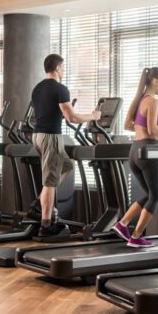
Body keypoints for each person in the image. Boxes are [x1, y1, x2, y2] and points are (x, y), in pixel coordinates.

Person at [31, 54, 101, 237]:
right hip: (51, 137)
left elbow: (47, 111)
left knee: (66, 166)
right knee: (50, 181)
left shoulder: (37, 88)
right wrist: (93, 116)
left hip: (37, 136)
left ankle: (39, 204)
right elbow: (72, 117)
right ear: (57, 68)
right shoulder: (61, 89)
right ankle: (46, 226)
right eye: (63, 67)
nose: (64, 70)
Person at [111, 67, 158, 247]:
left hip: (134, 151)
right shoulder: (153, 100)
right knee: (156, 196)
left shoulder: (139, 99)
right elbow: (152, 130)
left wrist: (146, 131)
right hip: (148, 152)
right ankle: (136, 236)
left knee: (149, 194)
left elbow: (128, 125)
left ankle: (122, 223)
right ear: (155, 81)